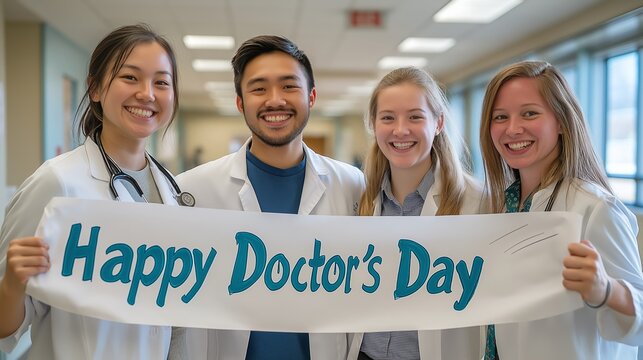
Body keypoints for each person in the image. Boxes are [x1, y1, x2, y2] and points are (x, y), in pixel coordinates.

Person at [0, 24, 189, 359]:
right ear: (96, 88)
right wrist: (12, 284)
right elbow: (6, 329)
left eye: (161, 82)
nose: (147, 93)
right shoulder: (57, 183)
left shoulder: (172, 192)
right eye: (130, 77)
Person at [177, 35, 365, 359]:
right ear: (240, 102)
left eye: (289, 86)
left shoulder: (352, 185)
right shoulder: (191, 191)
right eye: (259, 88)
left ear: (312, 96)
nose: (275, 100)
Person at [480, 60, 643, 359]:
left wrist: (605, 289)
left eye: (529, 113)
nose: (513, 128)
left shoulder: (596, 208)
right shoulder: (501, 205)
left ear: (562, 122)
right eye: (500, 117)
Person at [346, 67, 484, 359]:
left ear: (438, 123)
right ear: (373, 124)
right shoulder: (359, 198)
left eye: (415, 116)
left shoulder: (479, 203)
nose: (400, 130)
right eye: (387, 118)